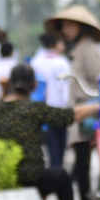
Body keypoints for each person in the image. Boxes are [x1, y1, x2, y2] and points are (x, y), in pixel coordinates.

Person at [0, 64, 98, 200]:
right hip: (30, 177)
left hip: (5, 175)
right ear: (34, 85)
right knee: (61, 176)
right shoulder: (35, 108)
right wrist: (98, 106)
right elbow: (71, 115)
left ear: (10, 83)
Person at [45, 6, 100, 200]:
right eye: (64, 26)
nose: (66, 29)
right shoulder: (77, 49)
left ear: (83, 28)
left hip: (87, 115)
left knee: (82, 169)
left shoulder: (88, 49)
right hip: (79, 115)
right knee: (81, 169)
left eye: (71, 25)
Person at [30, 33, 71, 167]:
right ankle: (59, 171)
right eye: (61, 43)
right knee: (60, 145)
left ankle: (55, 169)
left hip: (43, 107)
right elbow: (67, 86)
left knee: (50, 144)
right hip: (61, 107)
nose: (64, 46)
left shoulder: (36, 62)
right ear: (54, 45)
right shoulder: (62, 62)